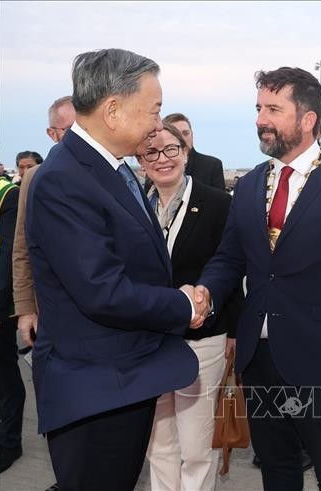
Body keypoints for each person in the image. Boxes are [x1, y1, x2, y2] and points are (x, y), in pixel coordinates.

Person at [195, 66, 321, 491]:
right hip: (259, 358)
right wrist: (205, 291)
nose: (261, 118)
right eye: (259, 107)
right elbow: (230, 257)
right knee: (276, 467)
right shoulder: (248, 186)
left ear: (308, 120)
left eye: (273, 109)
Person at [25, 48, 208, 490]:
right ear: (112, 109)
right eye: (154, 110)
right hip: (95, 391)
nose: (157, 125)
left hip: (121, 380)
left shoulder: (108, 170)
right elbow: (101, 289)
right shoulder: (65, 179)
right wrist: (182, 306)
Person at [139, 122, 242, 491]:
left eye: (170, 149)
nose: (162, 159)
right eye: (151, 152)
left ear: (185, 153)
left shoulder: (217, 203)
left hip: (201, 340)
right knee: (159, 442)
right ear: (141, 160)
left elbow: (231, 265)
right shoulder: (133, 202)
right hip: (149, 341)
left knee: (196, 446)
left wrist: (231, 328)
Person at [14, 96, 76, 351]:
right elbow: (22, 247)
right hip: (50, 312)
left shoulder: (112, 173)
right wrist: (26, 309)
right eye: (70, 130)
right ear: (52, 134)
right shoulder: (34, 178)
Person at [0, 176, 25, 474]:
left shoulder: (7, 194)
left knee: (4, 380)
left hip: (0, 306)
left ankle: (9, 443)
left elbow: (7, 256)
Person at [163, 112, 226, 190]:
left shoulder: (212, 165)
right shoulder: (158, 167)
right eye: (176, 134)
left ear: (192, 135)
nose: (182, 138)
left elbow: (221, 200)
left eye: (185, 133)